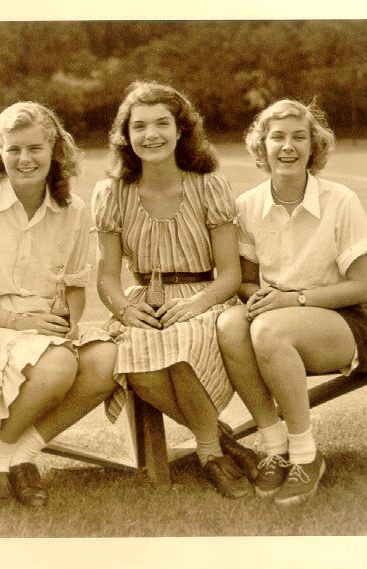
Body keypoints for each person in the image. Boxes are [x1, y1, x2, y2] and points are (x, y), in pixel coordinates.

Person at [0, 101, 117, 507]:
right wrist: (20, 322)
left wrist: (70, 321)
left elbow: (75, 285)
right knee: (57, 366)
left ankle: (15, 454)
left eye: (35, 148)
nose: (24, 159)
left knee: (107, 360)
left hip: (41, 329)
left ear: (55, 149)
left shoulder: (74, 210)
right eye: (13, 149)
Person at [91, 81, 259, 499]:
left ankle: (207, 453)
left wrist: (197, 303)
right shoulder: (111, 193)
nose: (152, 135)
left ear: (181, 129)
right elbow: (108, 277)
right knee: (135, 357)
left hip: (205, 296)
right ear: (126, 137)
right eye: (140, 126)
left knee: (181, 344)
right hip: (142, 302)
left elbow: (230, 275)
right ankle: (219, 441)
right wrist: (125, 311)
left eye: (162, 123)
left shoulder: (210, 185)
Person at [216, 99, 367, 507]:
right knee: (228, 325)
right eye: (277, 137)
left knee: (268, 328)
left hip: (341, 321)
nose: (287, 147)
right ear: (262, 147)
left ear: (313, 146)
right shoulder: (248, 205)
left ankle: (306, 455)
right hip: (273, 321)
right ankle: (273, 445)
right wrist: (262, 300)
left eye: (298, 137)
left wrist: (293, 299)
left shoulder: (341, 199)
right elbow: (247, 282)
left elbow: (362, 287)